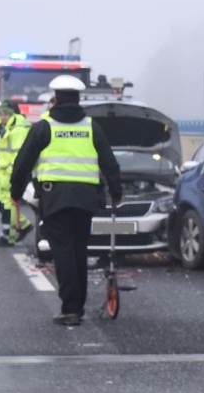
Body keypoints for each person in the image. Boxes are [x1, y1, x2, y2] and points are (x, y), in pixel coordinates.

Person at [10, 75, 122, 326]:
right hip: (85, 201)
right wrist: (116, 193)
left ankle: (71, 309)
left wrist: (15, 192)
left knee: (63, 253)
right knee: (78, 251)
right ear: (78, 98)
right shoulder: (91, 127)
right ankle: (76, 305)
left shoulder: (44, 126)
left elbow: (23, 163)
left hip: (55, 200)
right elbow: (109, 163)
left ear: (55, 98)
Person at [0, 100, 33, 247]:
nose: (2, 117)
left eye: (5, 114)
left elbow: (18, 154)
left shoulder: (19, 130)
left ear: (11, 114)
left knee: (9, 205)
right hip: (0, 171)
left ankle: (8, 236)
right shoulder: (3, 127)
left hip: (9, 173)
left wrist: (13, 172)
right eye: (0, 114)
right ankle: (23, 225)